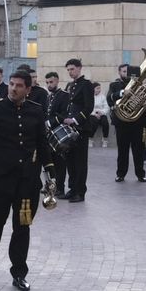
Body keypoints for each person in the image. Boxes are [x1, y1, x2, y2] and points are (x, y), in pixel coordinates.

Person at [0, 69, 54, 291]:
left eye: (19, 86)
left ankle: (19, 273)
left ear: (28, 89)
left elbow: (42, 143)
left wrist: (50, 171)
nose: (13, 89)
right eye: (11, 84)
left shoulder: (36, 111)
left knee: (22, 228)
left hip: (27, 181)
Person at [62, 59, 95, 203]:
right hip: (70, 128)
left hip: (81, 127)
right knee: (70, 160)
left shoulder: (86, 84)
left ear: (79, 68)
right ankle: (72, 189)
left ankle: (80, 192)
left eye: (72, 69)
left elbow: (89, 107)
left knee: (80, 162)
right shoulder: (71, 85)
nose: (70, 72)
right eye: (68, 70)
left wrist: (75, 120)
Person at [108, 64, 146, 182]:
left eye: (128, 71)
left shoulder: (140, 85)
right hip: (121, 122)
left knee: (139, 150)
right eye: (124, 71)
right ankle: (121, 174)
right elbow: (109, 98)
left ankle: (140, 174)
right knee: (122, 150)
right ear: (119, 72)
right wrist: (122, 93)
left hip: (138, 122)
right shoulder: (114, 85)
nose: (126, 74)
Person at [43, 72, 71, 197]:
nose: (49, 84)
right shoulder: (49, 97)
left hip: (59, 133)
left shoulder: (64, 95)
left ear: (57, 81)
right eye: (47, 82)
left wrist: (49, 122)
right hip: (49, 134)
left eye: (51, 82)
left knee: (60, 163)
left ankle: (60, 188)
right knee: (50, 162)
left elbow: (64, 114)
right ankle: (51, 186)